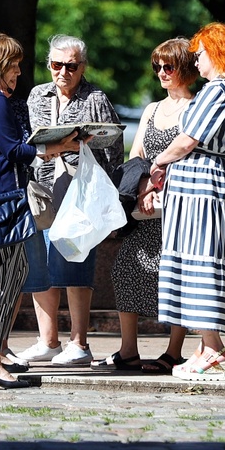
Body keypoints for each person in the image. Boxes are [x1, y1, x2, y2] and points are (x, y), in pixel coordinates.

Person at [0, 32, 79, 389]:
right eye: (14, 65)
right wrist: (54, 147)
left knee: (5, 276)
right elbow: (13, 150)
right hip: (1, 203)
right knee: (5, 278)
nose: (18, 73)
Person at [149, 23, 225, 382]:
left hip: (202, 190)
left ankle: (213, 350)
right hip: (213, 186)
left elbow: (188, 140)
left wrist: (159, 161)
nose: (197, 59)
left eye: (201, 53)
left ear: (218, 53)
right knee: (202, 262)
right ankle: (205, 348)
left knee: (200, 264)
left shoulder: (219, 90)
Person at [18, 34, 123, 367]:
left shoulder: (95, 98)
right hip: (43, 186)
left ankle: (79, 343)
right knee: (41, 260)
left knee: (76, 260)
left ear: (82, 67)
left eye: (71, 66)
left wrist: (81, 149)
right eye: (56, 65)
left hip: (80, 190)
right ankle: (48, 340)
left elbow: (114, 149)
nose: (63, 72)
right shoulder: (37, 95)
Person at [92, 39, 195, 374]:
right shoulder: (151, 110)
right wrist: (141, 190)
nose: (162, 73)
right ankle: (128, 350)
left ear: (187, 69)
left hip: (180, 208)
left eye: (170, 66)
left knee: (176, 275)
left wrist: (156, 185)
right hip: (146, 208)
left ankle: (173, 351)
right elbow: (137, 156)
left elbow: (190, 157)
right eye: (158, 67)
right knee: (125, 269)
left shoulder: (195, 109)